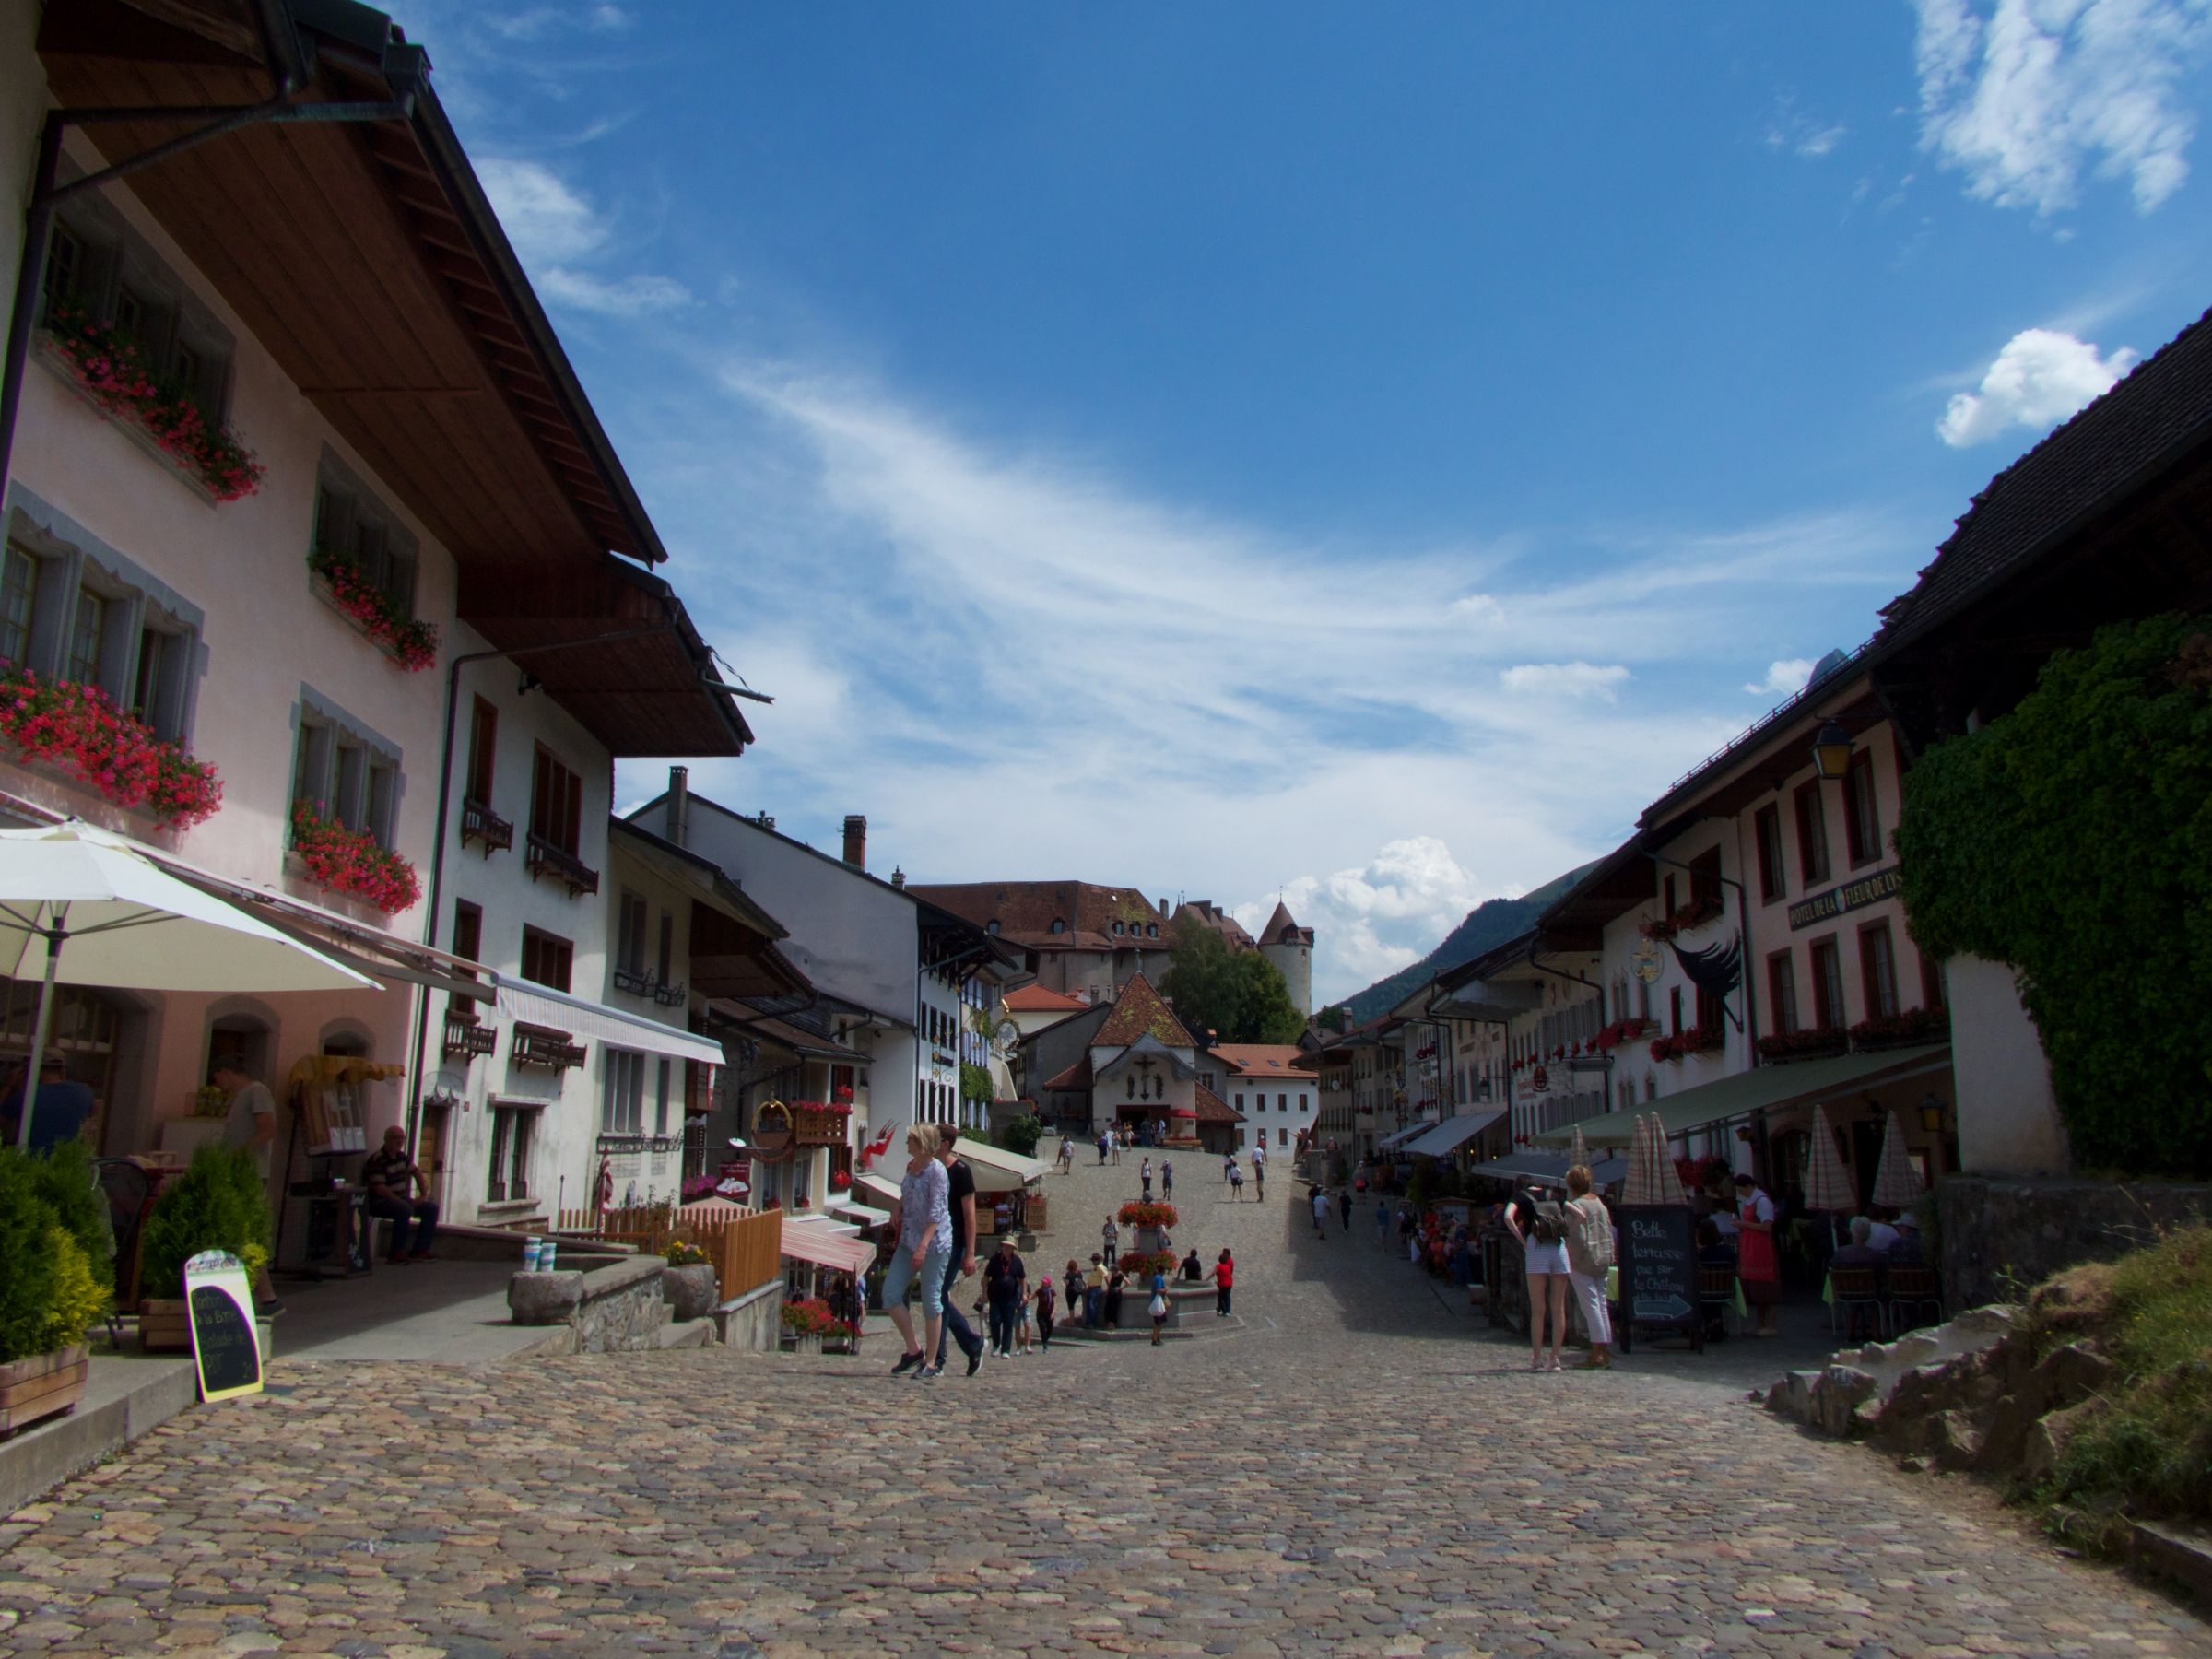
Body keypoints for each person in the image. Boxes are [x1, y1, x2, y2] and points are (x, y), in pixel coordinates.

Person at [882, 1125, 954, 1379]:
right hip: (908, 1239)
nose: (906, 1144)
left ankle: (932, 1363)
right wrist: (897, 1209)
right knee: (890, 1295)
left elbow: (936, 1212)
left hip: (934, 1244)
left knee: (931, 1302)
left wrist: (923, 1247)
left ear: (923, 1142)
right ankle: (914, 1349)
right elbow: (905, 1193)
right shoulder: (911, 1167)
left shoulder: (938, 1172)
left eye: (910, 1139)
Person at [932, 1127, 989, 1376]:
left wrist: (970, 1252)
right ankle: (972, 1344)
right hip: (933, 1243)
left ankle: (938, 1359)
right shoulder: (929, 1168)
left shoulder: (961, 1172)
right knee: (939, 1297)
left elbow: (969, 1215)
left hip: (953, 1243)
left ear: (944, 1144)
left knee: (938, 1295)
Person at [1508, 1184, 1572, 1371]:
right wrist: (1566, 1237)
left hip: (1536, 1247)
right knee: (1558, 1308)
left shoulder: (1520, 1196)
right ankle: (1555, 1358)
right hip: (1558, 1248)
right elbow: (1580, 1215)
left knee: (1538, 1309)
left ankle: (1537, 1359)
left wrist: (1522, 1241)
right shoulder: (1554, 1195)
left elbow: (1507, 1217)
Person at [361, 1125, 441, 1265]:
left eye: (401, 1138)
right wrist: (400, 1201)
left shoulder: (402, 1157)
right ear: (386, 1139)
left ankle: (419, 1250)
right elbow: (380, 1189)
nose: (399, 1142)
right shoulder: (377, 1159)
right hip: (380, 1201)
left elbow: (417, 1173)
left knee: (431, 1208)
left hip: (400, 1199)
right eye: (395, 1138)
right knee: (403, 1209)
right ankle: (396, 1254)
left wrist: (423, 1195)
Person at [1561, 1164, 1615, 1371]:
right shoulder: (1600, 1204)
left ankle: (1596, 1353)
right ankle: (1604, 1349)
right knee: (1601, 1304)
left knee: (1590, 1306)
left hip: (1583, 1261)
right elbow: (1607, 1229)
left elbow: (1577, 1237)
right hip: (1602, 1258)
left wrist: (1570, 1254)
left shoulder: (1576, 1206)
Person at [0, 1053, 95, 1152]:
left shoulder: (26, 1095)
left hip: (34, 1160)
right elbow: (91, 1115)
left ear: (33, 1072)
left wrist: (8, 1085)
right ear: (62, 1071)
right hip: (70, 1160)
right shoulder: (84, 1091)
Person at [211, 1060, 277, 1179]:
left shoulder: (256, 1091)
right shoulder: (239, 1095)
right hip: (235, 1170)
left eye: (216, 1079)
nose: (217, 1085)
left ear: (226, 1072)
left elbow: (268, 1129)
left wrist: (242, 1153)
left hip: (250, 1171)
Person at [1736, 1171, 1782, 1337]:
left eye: (1742, 1190)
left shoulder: (1763, 1202)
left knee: (1768, 1290)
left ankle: (1771, 1325)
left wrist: (1744, 1224)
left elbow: (1766, 1227)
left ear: (1749, 1186)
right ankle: (1759, 1325)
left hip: (1762, 1249)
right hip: (1751, 1248)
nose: (1741, 1193)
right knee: (1757, 1291)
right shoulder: (1750, 1201)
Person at [983, 1236, 1026, 1359]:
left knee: (1008, 1324)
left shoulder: (1017, 1261)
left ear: (1013, 1248)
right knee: (994, 1321)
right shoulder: (994, 1260)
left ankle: (1005, 1350)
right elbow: (986, 1277)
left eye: (1009, 1246)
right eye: (1004, 1245)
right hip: (995, 1296)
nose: (1006, 1248)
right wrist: (984, 1293)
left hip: (1011, 1298)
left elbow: (1022, 1278)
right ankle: (996, 1344)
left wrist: (1023, 1294)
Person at [1033, 1267, 1057, 1351]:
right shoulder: (1039, 1291)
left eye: (1045, 1283)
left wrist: (1053, 1313)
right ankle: (1045, 1345)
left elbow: (1054, 1303)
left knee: (1050, 1329)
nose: (1043, 1284)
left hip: (1049, 1313)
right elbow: (1032, 1297)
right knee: (1042, 1327)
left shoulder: (1052, 1292)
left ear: (1049, 1284)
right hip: (1040, 1313)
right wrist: (1026, 1298)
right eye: (1043, 1282)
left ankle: (1045, 1341)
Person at [1083, 1253, 1108, 1327]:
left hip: (1095, 1289)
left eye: (1093, 1260)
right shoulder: (1096, 1267)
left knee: (1092, 1306)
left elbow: (1106, 1277)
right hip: (1091, 1288)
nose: (1092, 1262)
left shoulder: (1100, 1267)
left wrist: (1109, 1287)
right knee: (1090, 1305)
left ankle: (1091, 1323)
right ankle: (1088, 1322)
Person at [1148, 1264, 1170, 1346]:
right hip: (1158, 1303)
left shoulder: (1155, 1277)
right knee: (1159, 1322)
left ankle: (1157, 1337)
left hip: (1155, 1302)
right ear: (1163, 1271)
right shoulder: (1159, 1278)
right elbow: (1158, 1290)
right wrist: (1166, 1289)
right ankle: (1155, 1339)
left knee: (1158, 1322)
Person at [1102, 1260, 1126, 1327]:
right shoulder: (1113, 1275)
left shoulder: (1120, 1275)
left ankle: (1112, 1324)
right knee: (1108, 1308)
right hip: (1111, 1293)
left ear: (1115, 1270)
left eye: (1112, 1270)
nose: (1111, 1271)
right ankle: (1108, 1323)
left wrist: (1120, 1288)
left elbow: (1128, 1283)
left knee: (1114, 1309)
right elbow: (1111, 1284)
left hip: (1116, 1294)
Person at [1213, 1248, 1235, 1317]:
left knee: (1221, 1297)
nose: (1222, 1254)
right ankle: (1223, 1310)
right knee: (1226, 1297)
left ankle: (1224, 1310)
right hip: (1229, 1282)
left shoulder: (1226, 1263)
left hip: (1222, 1283)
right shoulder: (1230, 1261)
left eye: (1223, 1253)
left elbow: (1214, 1273)